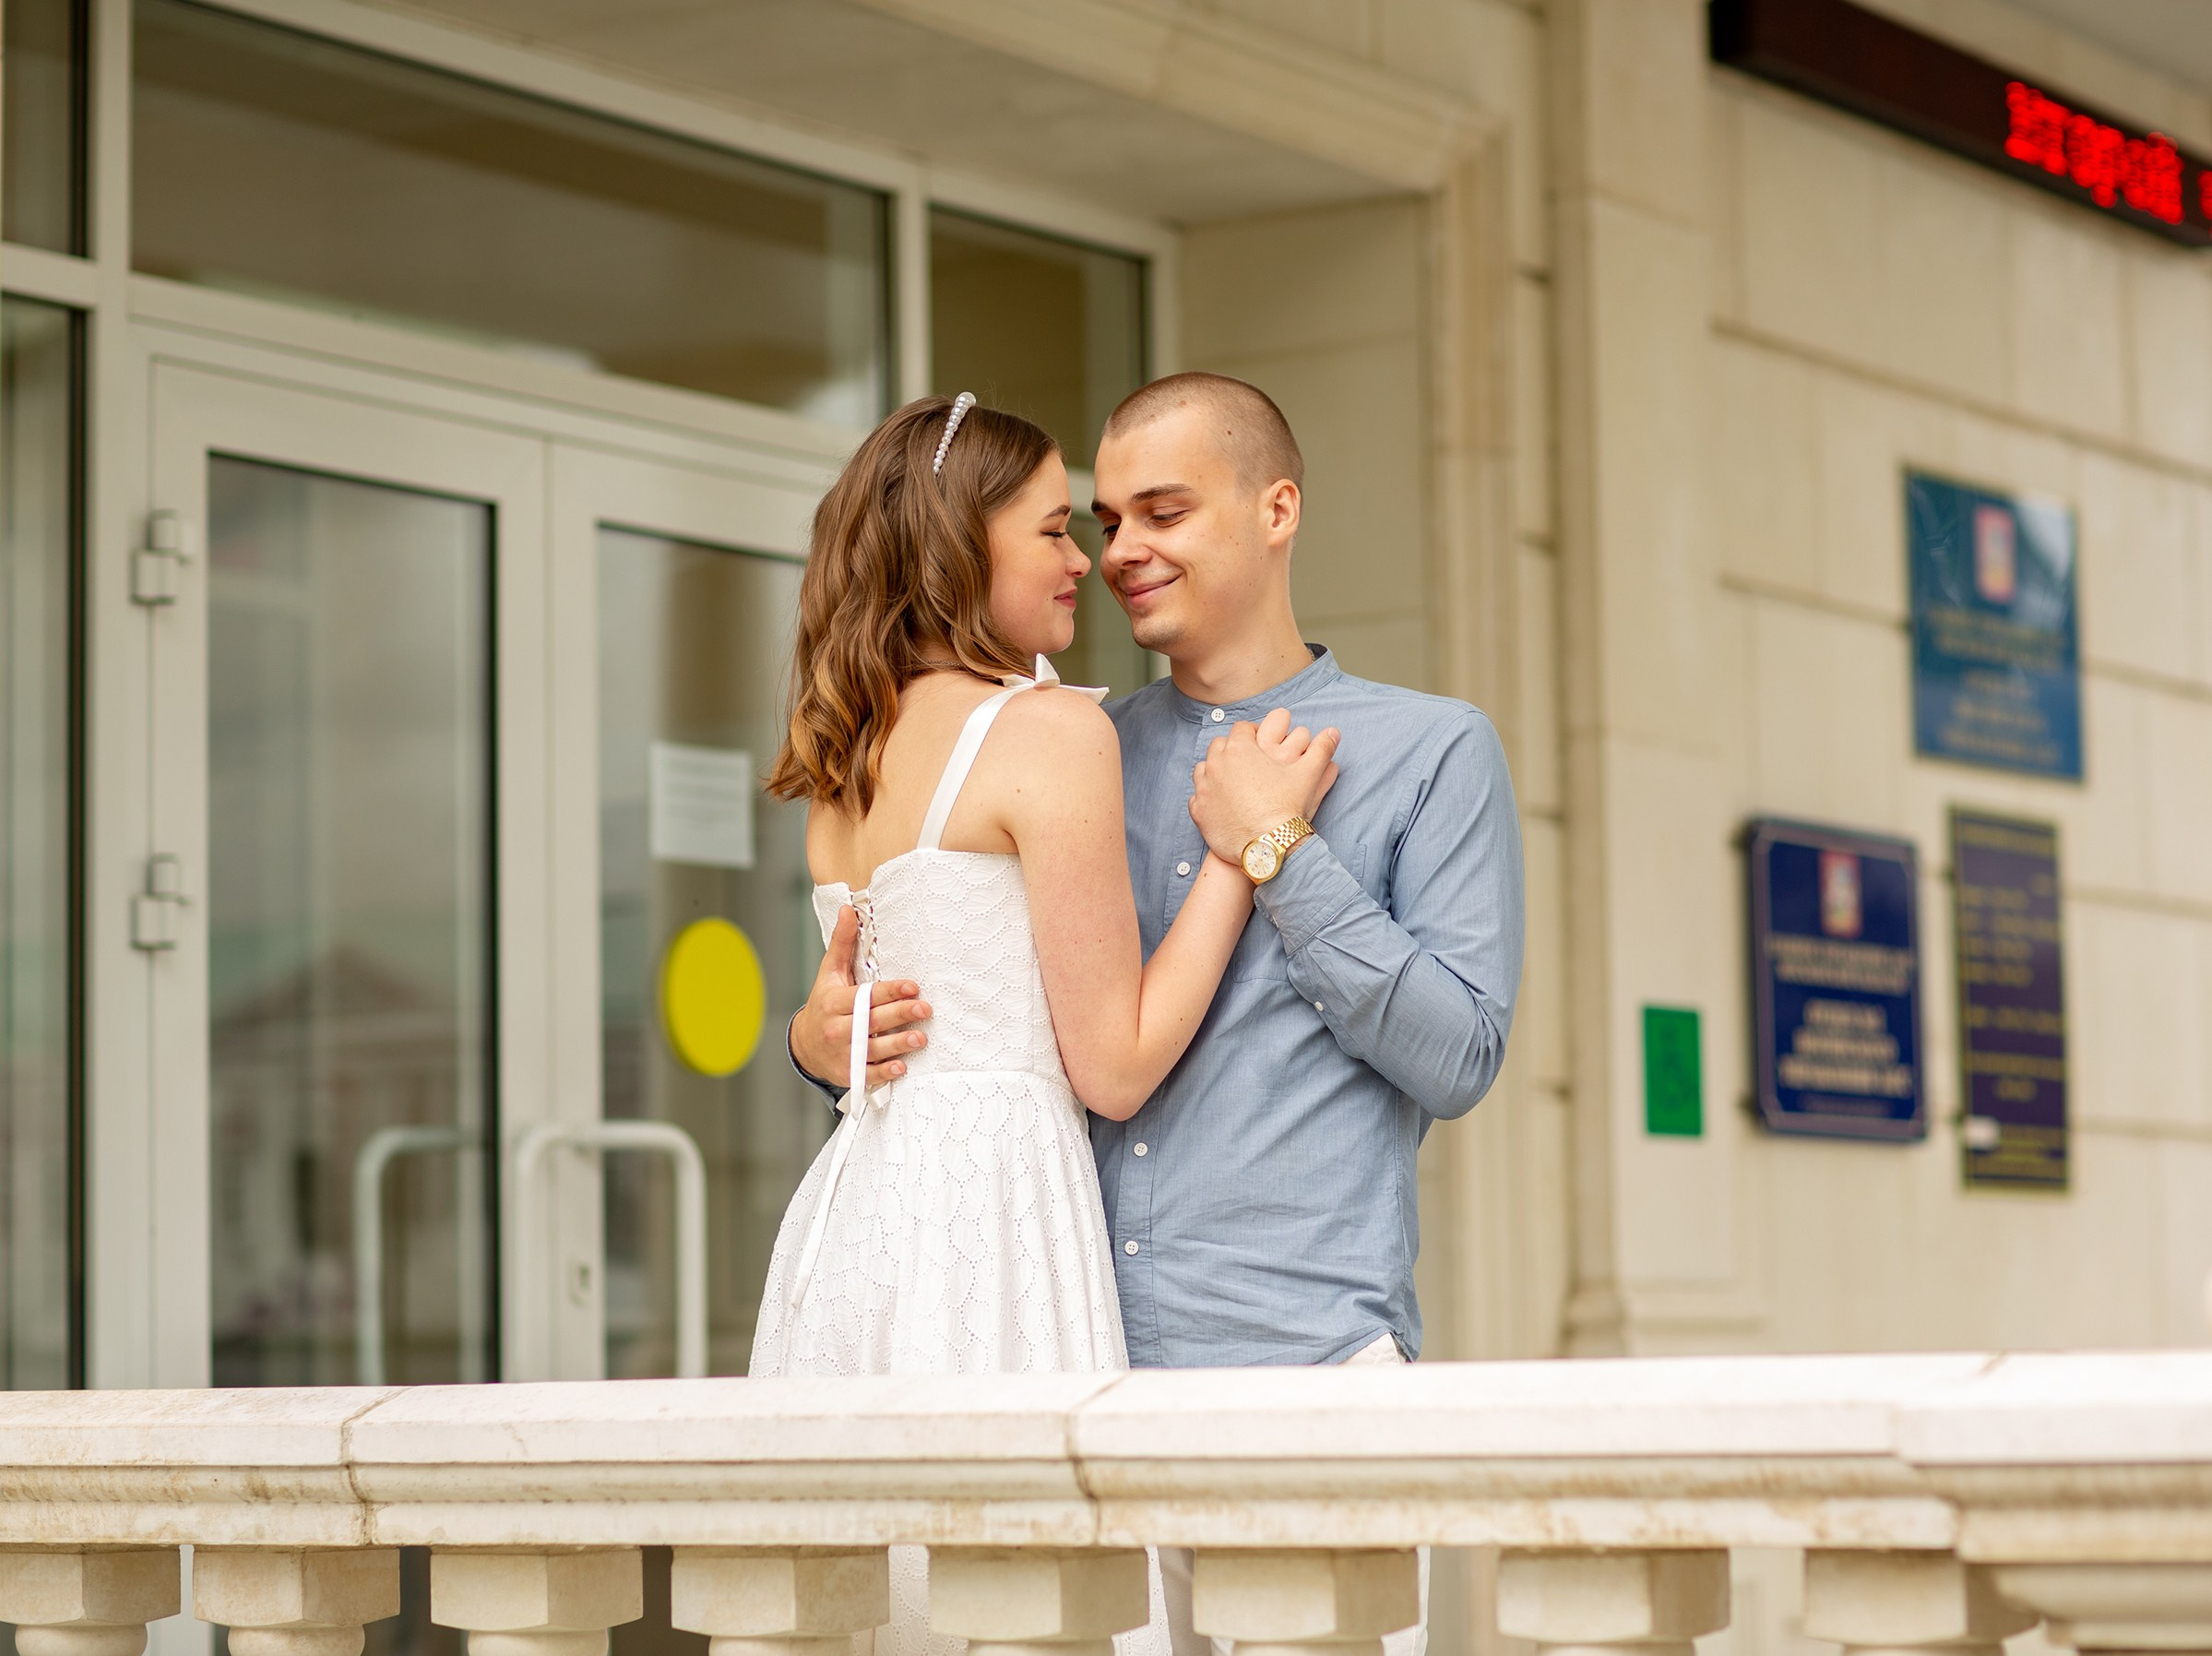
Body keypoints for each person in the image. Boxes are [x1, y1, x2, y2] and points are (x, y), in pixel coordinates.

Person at [791, 374, 1525, 1656]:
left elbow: (1458, 1057)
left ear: (1276, 507)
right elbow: (959, 1002)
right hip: (1061, 1367)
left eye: (1163, 513)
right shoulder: (1061, 737)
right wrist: (820, 1043)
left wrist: (1282, 856)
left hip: (1300, 1368)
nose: (1120, 552)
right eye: (1102, 518)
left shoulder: (1433, 751)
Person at [750, 392, 1339, 1656]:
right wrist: (1242, 856)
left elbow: (868, 1013)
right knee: (1025, 1601)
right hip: (995, 1217)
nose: (1087, 559)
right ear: (963, 546)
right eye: (1051, 529)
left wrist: (812, 1041)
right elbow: (1116, 1066)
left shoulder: (843, 755)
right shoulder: (1047, 727)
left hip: (857, 1225)